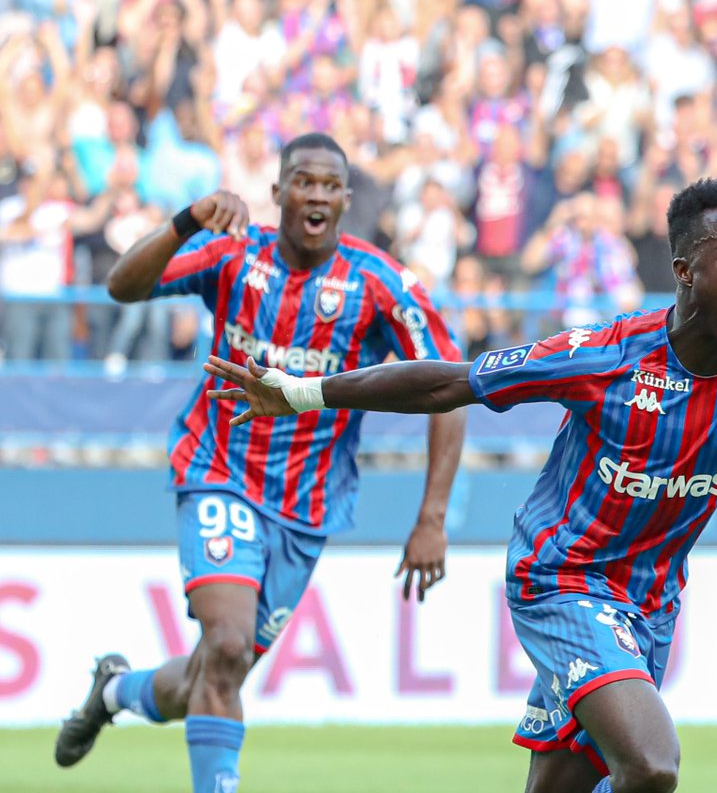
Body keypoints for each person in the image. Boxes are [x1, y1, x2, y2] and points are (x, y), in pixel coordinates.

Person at [202, 177, 717, 793]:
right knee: (651, 765)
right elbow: (451, 382)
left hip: (651, 602)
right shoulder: (607, 357)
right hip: (561, 579)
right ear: (686, 270)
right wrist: (303, 389)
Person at [54, 133, 467, 793]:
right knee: (224, 646)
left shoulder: (379, 284)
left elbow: (451, 385)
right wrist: (187, 219)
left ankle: (113, 691)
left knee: (212, 675)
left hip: (306, 507)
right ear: (277, 193)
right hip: (219, 469)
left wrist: (433, 517)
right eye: (304, 181)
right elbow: (122, 286)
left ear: (346, 200)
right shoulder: (235, 255)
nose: (318, 195)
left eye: (332, 186)